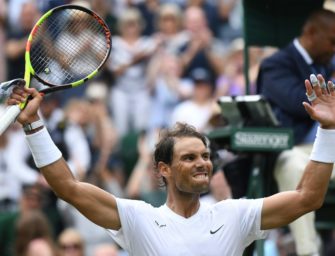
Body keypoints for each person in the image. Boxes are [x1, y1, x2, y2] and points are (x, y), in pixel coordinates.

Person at [7, 73, 335, 255]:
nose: (202, 163)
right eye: (189, 158)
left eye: (205, 156)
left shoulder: (235, 214)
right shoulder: (138, 219)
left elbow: (308, 197)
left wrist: (329, 130)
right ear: (163, 169)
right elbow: (68, 187)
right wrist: (33, 125)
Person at [257, 8, 335, 256]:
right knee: (290, 165)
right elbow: (301, 103)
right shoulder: (276, 64)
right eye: (333, 41)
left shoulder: (329, 62)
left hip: (332, 145)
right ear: (312, 33)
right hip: (298, 149)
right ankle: (308, 251)